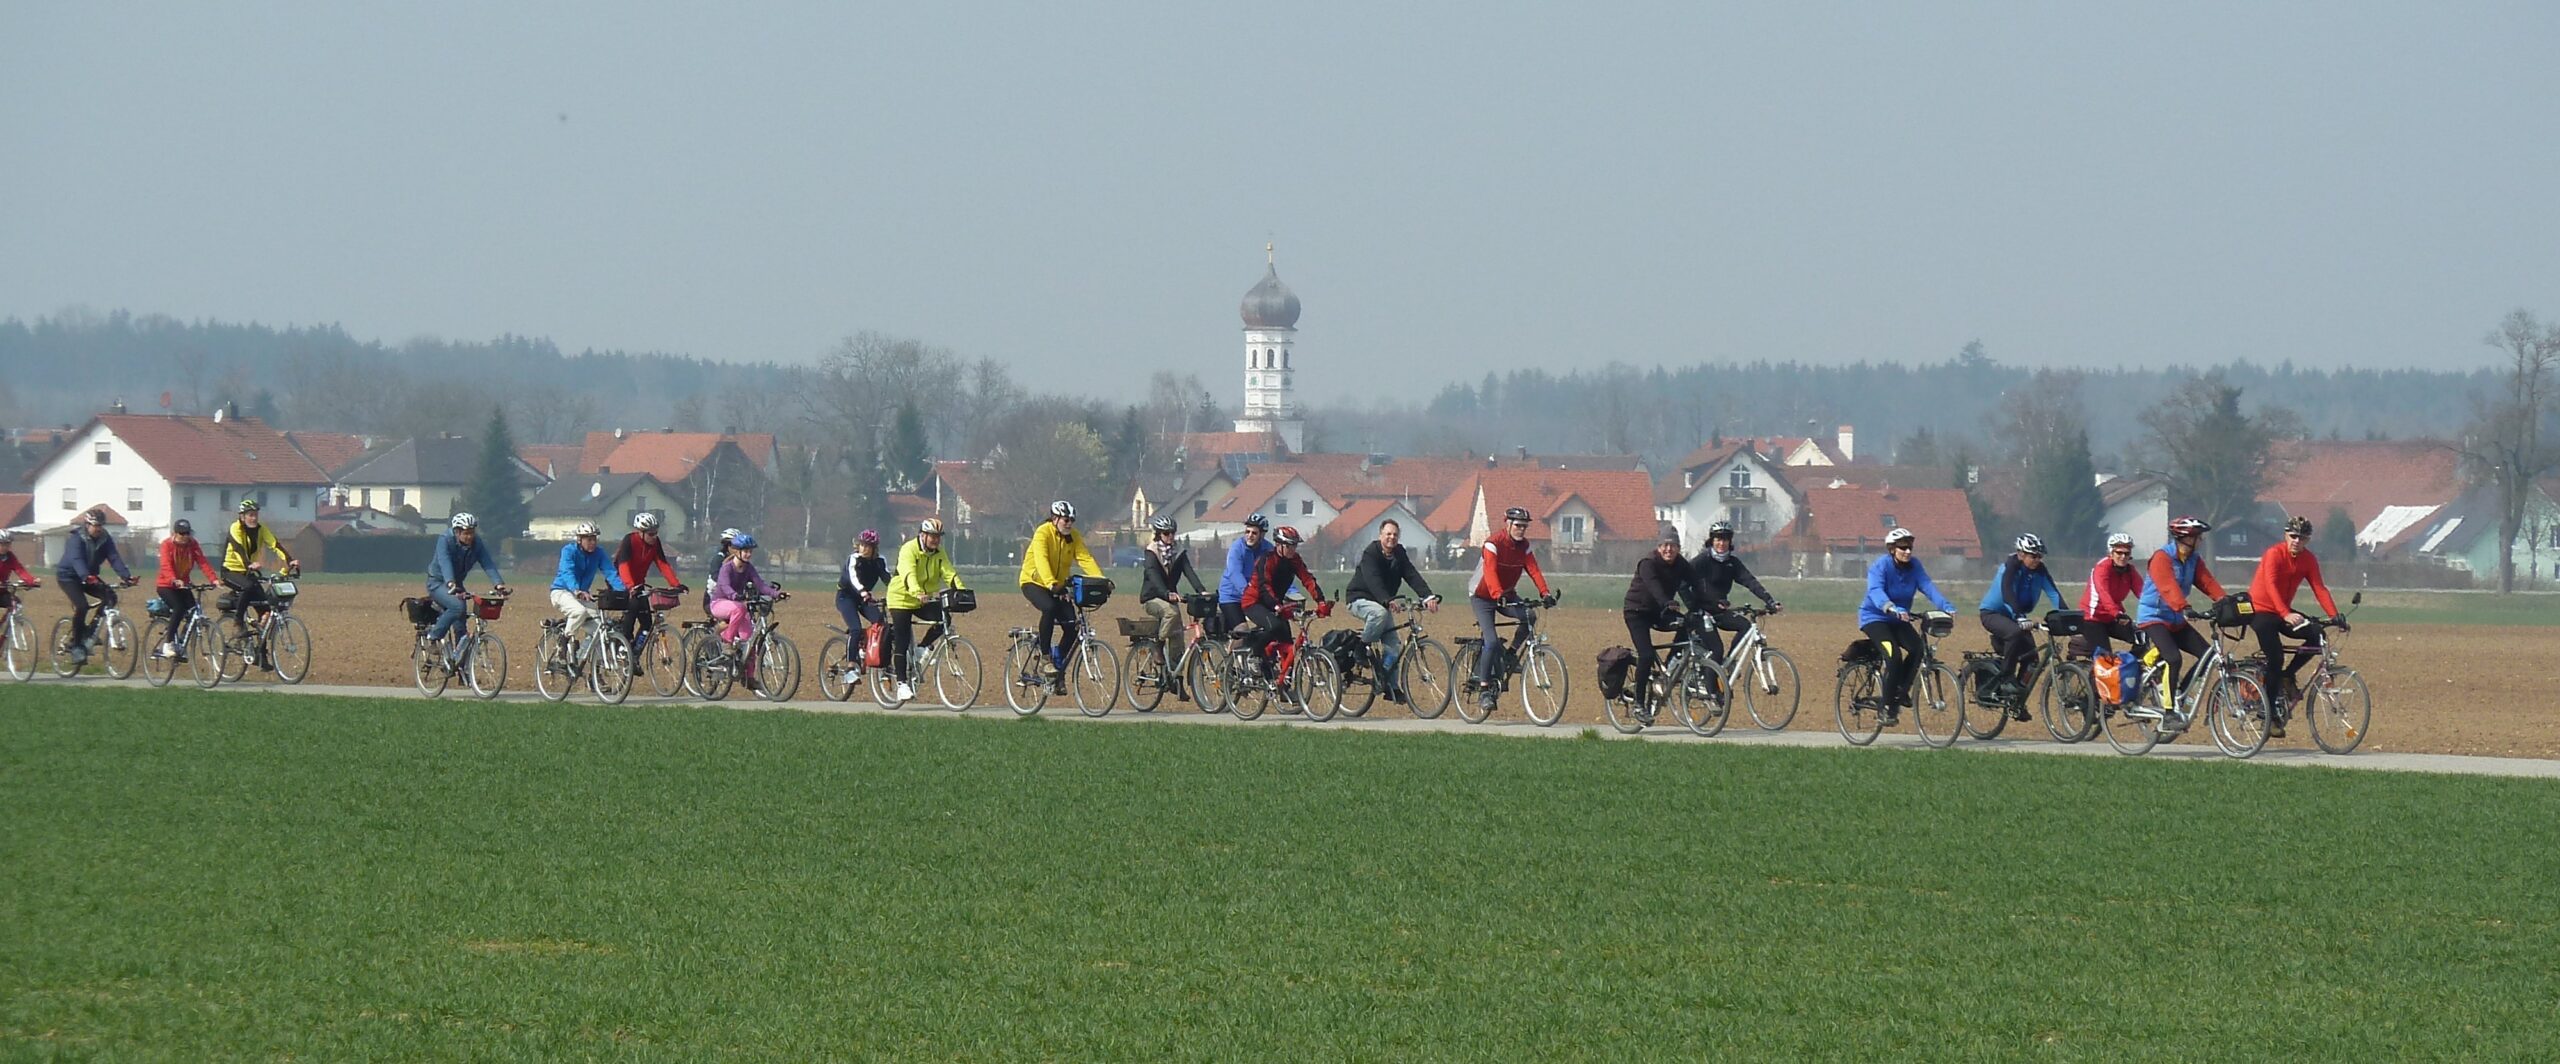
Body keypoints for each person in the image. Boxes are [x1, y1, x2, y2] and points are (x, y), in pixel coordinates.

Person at [2250, 514, 2347, 736]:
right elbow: (2270, 585)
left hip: (2284, 611)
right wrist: (2284, 612)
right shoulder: (2274, 554)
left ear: (2308, 540)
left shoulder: (2308, 560)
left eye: (2302, 538)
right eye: (2293, 536)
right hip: (2262, 611)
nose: (2296, 541)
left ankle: (2287, 675)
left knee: (2317, 634)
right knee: (2275, 657)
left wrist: (2335, 616)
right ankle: (2268, 713)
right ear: (2285, 535)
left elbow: (2319, 588)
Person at [1856, 526, 1955, 725]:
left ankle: (1900, 692)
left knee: (1918, 648)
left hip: (1900, 619)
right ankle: (1885, 707)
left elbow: (1927, 586)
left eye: (1910, 547)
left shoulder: (1914, 566)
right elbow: (1875, 591)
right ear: (1892, 549)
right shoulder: (1880, 566)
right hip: (1875, 618)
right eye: (1902, 548)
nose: (1908, 551)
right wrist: (1890, 607)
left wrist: (1946, 606)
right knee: (1893, 656)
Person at [1466, 506, 1555, 714]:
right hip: (1483, 596)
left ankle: (1511, 654)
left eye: (1524, 526)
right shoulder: (1493, 544)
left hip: (1506, 594)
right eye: (1518, 525)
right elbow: (1489, 572)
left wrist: (1545, 593)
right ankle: (1485, 690)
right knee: (1491, 641)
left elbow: (1534, 570)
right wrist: (1498, 595)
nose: (1521, 530)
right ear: (1508, 524)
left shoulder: (1524, 547)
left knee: (1529, 616)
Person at [2134, 515, 2227, 711]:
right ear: (2186, 538)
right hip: (2154, 617)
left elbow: (2206, 581)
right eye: (2197, 537)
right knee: (2174, 659)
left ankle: (2180, 693)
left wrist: (2225, 601)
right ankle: (2169, 711)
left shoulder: (2193, 559)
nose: (2200, 540)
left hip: (2176, 618)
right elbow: (2168, 587)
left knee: (2207, 656)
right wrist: (2184, 607)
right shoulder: (2162, 558)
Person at [1344, 518, 1438, 703]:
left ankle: (1390, 686)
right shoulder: (1371, 553)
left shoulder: (1399, 553)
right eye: (1388, 534)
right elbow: (1373, 580)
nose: (1391, 538)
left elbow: (1411, 574)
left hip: (1383, 603)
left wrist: (1427, 596)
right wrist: (1386, 600)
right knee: (1380, 613)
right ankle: (1361, 648)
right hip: (1359, 598)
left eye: (1395, 534)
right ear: (1380, 536)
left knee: (1393, 647)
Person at [1017, 500, 1104, 691]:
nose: (1069, 524)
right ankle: (1046, 656)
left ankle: (1057, 665)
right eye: (1066, 520)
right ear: (1055, 519)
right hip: (1034, 582)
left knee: (1072, 625)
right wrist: (1050, 583)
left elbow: (1084, 558)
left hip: (1058, 585)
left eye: (1072, 520)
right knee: (1049, 608)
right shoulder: (1043, 532)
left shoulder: (1073, 536)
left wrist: (1101, 580)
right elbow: (1041, 559)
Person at [1977, 532, 2064, 719]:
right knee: (2014, 633)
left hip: (2018, 616)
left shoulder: (2040, 570)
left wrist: (2067, 617)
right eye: (2033, 556)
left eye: (2040, 556)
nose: (2037, 560)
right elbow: (2007, 593)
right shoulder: (2010, 567)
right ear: (2021, 554)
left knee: (2032, 661)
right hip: (1993, 613)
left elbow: (2054, 594)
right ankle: (2006, 678)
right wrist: (2018, 616)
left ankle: (2015, 701)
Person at [1686, 520, 1784, 680]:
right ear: (1711, 540)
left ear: (1730, 542)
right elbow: (1686, 583)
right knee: (1716, 650)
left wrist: (1770, 600)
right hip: (1701, 612)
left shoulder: (1733, 563)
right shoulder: (1701, 561)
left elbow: (1750, 581)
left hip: (1720, 610)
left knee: (1745, 626)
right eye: (1717, 539)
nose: (1721, 543)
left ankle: (1729, 661)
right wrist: (1693, 605)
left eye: (1725, 539)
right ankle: (1709, 689)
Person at [886, 517, 967, 702]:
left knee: (944, 618)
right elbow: (908, 573)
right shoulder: (909, 549)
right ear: (923, 535)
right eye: (932, 536)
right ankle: (902, 684)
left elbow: (949, 572)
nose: (936, 540)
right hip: (901, 598)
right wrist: (916, 592)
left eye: (938, 536)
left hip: (923, 598)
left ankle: (922, 648)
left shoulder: (939, 553)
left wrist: (962, 592)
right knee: (902, 637)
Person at [1237, 525, 1329, 688]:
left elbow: (1307, 579)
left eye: (1295, 545)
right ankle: (1254, 654)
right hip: (1254, 602)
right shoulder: (1267, 559)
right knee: (1274, 626)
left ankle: (1285, 687)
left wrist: (1320, 601)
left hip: (1276, 605)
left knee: (1288, 642)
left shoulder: (1295, 560)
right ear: (1279, 545)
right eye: (1289, 546)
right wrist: (1278, 606)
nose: (1293, 549)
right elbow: (1265, 587)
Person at [1137, 516, 1206, 700]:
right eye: (1166, 533)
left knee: (1178, 640)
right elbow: (1153, 576)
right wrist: (1166, 593)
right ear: (1159, 535)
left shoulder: (1178, 552)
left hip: (1170, 598)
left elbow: (1189, 571)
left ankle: (1178, 683)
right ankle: (1158, 647)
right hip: (1152, 598)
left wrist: (1202, 591)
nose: (1170, 537)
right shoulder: (1152, 552)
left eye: (1172, 533)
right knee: (1171, 611)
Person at [1622, 535, 1693, 712]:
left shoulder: (1680, 564)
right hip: (1636, 612)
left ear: (1678, 548)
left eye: (1674, 546)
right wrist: (1667, 602)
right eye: (1665, 546)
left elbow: (1697, 582)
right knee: (1646, 655)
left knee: (1687, 623)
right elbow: (1655, 587)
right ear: (1659, 547)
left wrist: (1714, 603)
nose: (1669, 550)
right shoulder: (1648, 563)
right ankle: (1639, 704)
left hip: (1658, 612)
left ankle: (1668, 668)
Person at [55, 509, 135, 665]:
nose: (98, 529)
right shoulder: (76, 539)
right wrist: (85, 576)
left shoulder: (105, 539)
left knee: (110, 597)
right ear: (87, 524)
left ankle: (90, 633)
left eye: (101, 525)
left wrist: (126, 576)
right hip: (69, 577)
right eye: (95, 525)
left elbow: (114, 557)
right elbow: (76, 559)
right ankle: (77, 646)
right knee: (82, 606)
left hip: (89, 577)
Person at [424, 512, 510, 656]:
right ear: (457, 532)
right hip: (438, 582)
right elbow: (445, 562)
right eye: (466, 533)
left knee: (461, 624)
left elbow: (487, 562)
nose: (469, 537)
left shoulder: (477, 543)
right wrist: (450, 582)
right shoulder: (445, 540)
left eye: (472, 532)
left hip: (456, 583)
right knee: (457, 606)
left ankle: (460, 664)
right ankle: (433, 637)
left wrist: (498, 584)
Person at [216, 499, 298, 641]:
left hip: (247, 572)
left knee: (266, 609)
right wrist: (249, 564)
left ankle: (260, 652)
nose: (253, 518)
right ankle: (238, 623)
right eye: (250, 515)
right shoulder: (235, 528)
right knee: (247, 587)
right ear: (242, 516)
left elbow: (275, 545)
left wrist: (290, 560)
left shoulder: (261, 529)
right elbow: (238, 549)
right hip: (230, 571)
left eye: (255, 515)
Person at [707, 533, 784, 681]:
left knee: (750, 641)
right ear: (737, 551)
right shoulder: (727, 568)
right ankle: (727, 642)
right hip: (719, 604)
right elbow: (724, 585)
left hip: (736, 606)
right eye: (746, 551)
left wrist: (776, 594)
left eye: (750, 551)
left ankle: (749, 678)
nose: (749, 554)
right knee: (740, 608)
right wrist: (735, 596)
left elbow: (760, 585)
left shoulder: (748, 568)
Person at [549, 521, 627, 657]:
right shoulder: (569, 551)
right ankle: (563, 642)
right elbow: (567, 572)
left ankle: (587, 666)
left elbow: (610, 572)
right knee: (579, 612)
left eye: (594, 539)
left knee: (600, 632)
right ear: (579, 540)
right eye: (589, 539)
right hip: (562, 591)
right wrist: (576, 590)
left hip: (582, 595)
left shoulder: (599, 553)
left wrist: (622, 590)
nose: (592, 543)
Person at [611, 511, 684, 650]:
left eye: (656, 533)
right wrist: (630, 586)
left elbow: (663, 564)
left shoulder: (655, 544)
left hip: (638, 585)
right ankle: (622, 647)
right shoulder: (629, 540)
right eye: (651, 534)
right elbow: (623, 565)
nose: (654, 536)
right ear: (640, 532)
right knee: (632, 609)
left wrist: (676, 584)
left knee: (647, 624)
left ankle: (634, 653)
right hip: (621, 582)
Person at [153, 519, 222, 660]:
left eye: (187, 533)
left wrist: (213, 579)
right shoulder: (166, 545)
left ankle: (182, 644)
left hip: (183, 584)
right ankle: (169, 643)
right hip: (166, 585)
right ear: (175, 533)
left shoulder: (193, 544)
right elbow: (166, 565)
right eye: (182, 534)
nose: (185, 536)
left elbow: (202, 562)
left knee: (193, 612)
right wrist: (173, 579)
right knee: (179, 608)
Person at [2073, 532, 2144, 660]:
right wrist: (2117, 613)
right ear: (2111, 553)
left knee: (2142, 638)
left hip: (2113, 617)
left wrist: (2160, 608)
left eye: (2126, 553)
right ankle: (2096, 678)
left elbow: (2143, 593)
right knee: (2106, 659)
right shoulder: (2102, 568)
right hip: (2093, 618)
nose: (2123, 557)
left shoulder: (2130, 571)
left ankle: (2126, 668)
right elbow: (2104, 594)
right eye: (2119, 553)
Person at [836, 529, 892, 657]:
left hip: (864, 598)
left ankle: (867, 646)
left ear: (874, 548)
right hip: (846, 597)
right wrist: (862, 591)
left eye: (867, 546)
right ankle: (850, 666)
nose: (863, 548)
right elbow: (853, 577)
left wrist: (898, 591)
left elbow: (888, 579)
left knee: (880, 624)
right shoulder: (854, 559)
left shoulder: (880, 560)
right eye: (862, 545)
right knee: (855, 629)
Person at [1216, 513, 1274, 634]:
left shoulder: (1268, 549)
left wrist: (1293, 593)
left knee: (1271, 625)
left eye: (1254, 533)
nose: (1249, 536)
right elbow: (1234, 573)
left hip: (1254, 596)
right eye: (1247, 532)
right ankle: (1232, 653)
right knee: (1242, 631)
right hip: (1232, 597)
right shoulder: (1237, 548)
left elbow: (1277, 573)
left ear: (1262, 535)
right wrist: (1249, 593)